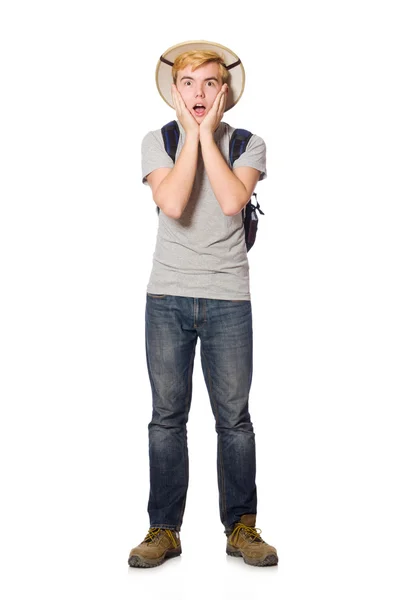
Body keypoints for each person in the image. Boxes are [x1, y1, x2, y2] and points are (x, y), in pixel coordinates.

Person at [128, 40, 278, 568]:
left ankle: (242, 527)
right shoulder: (157, 141)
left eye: (210, 83)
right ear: (175, 91)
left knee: (233, 419)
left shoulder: (249, 144)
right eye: (189, 83)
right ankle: (163, 529)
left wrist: (206, 135)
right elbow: (171, 203)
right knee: (167, 418)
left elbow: (233, 200)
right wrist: (190, 137)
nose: (199, 92)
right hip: (166, 296)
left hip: (228, 300)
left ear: (224, 93)